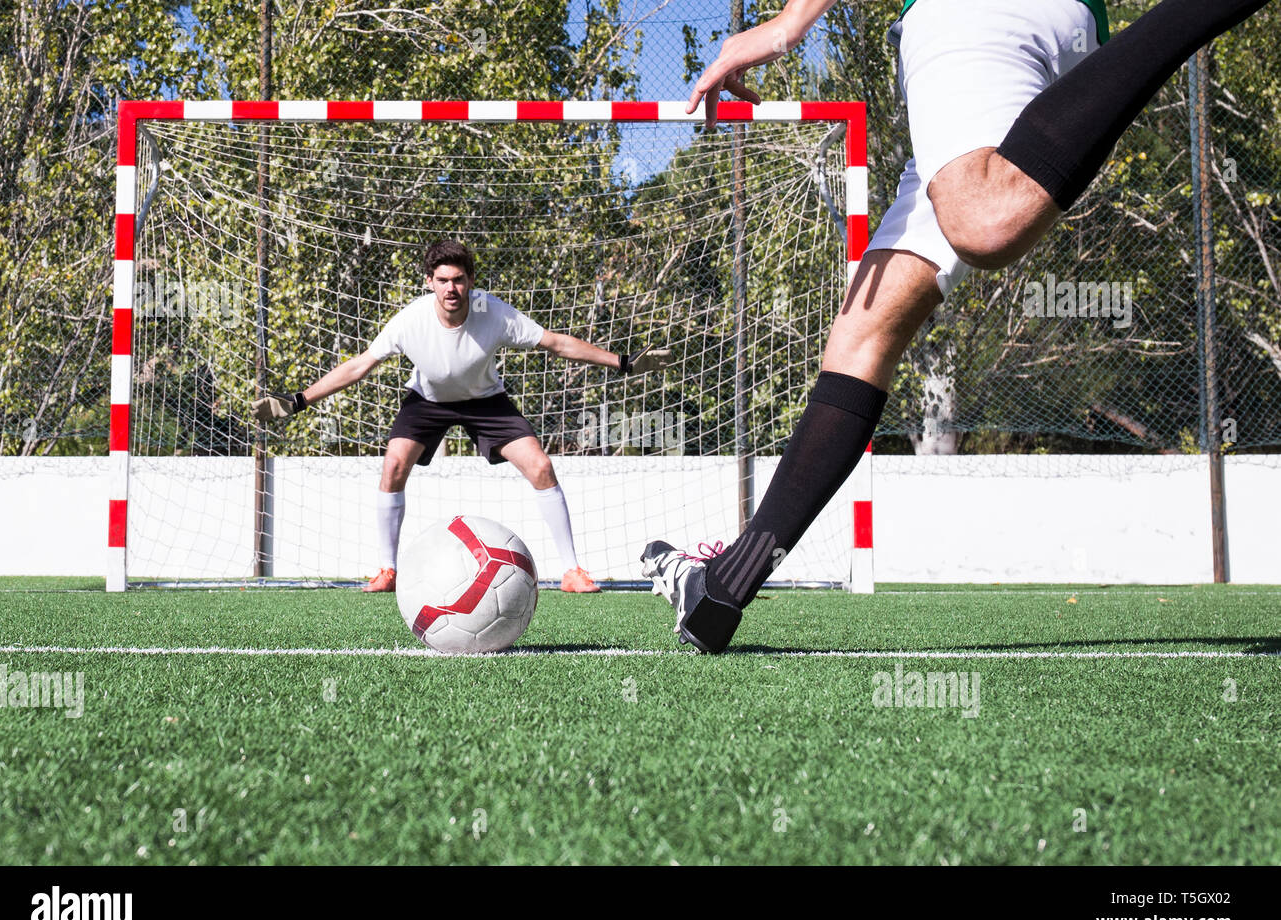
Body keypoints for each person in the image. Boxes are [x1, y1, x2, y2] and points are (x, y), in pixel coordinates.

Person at [642, 0, 1272, 652]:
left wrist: (785, 27)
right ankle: (725, 583)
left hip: (969, 19)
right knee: (863, 333)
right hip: (1054, 41)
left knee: (982, 217)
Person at [254, 239, 669, 592]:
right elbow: (359, 366)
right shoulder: (410, 321)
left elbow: (557, 343)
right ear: (429, 282)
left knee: (541, 465)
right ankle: (387, 569)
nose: (451, 288)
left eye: (458, 279)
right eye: (442, 280)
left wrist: (624, 362)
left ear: (470, 281)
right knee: (394, 465)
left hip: (486, 400)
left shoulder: (495, 313)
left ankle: (572, 570)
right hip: (427, 401)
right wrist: (298, 400)